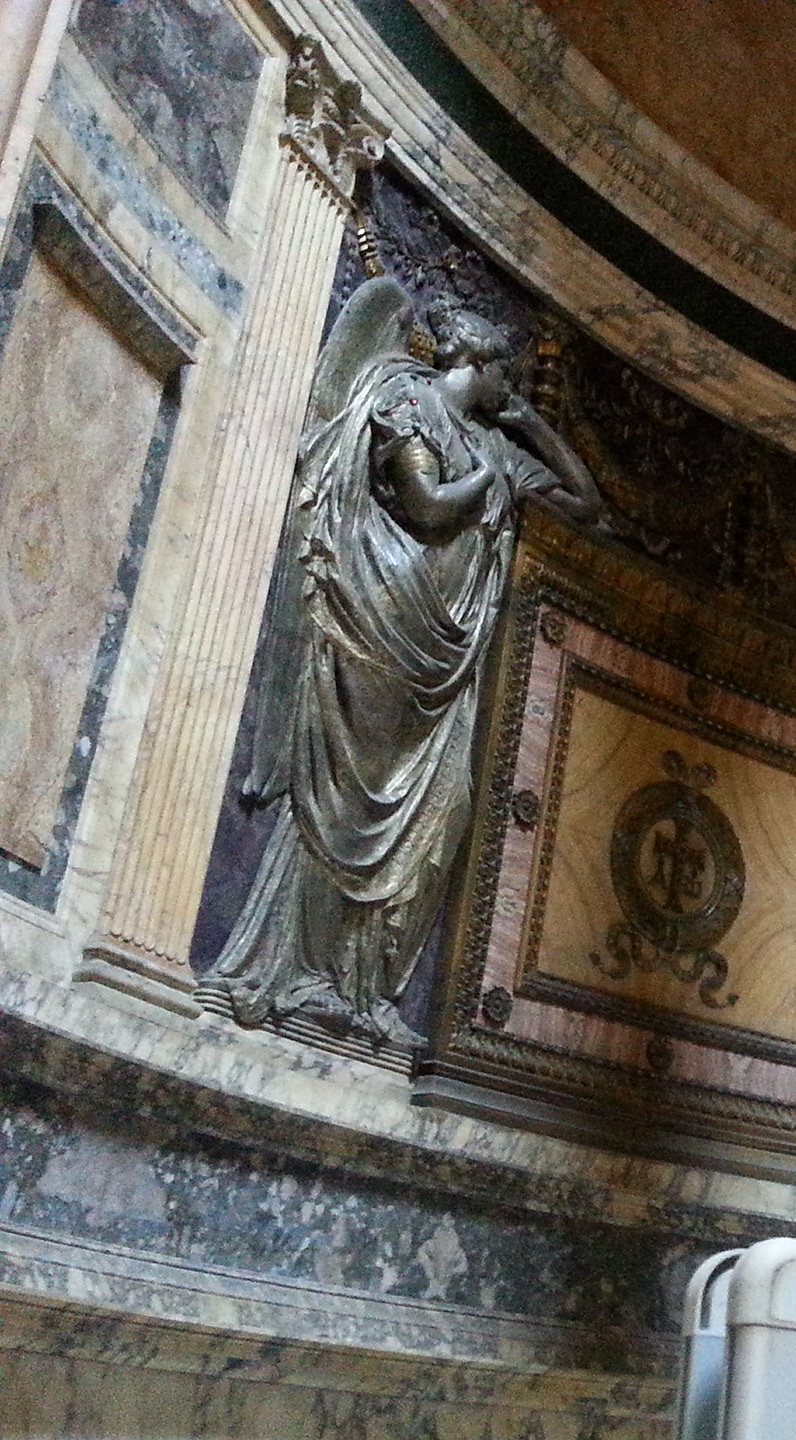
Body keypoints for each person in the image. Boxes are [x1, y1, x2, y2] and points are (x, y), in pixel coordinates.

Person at [201, 278, 601, 1047]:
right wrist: (489, 479)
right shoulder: (405, 401)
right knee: (345, 802)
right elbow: (426, 506)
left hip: (445, 661)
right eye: (506, 377)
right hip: (381, 621)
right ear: (477, 360)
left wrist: (528, 425)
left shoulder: (495, 442)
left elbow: (586, 505)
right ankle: (294, 975)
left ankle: (364, 990)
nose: (509, 389)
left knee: (443, 812)